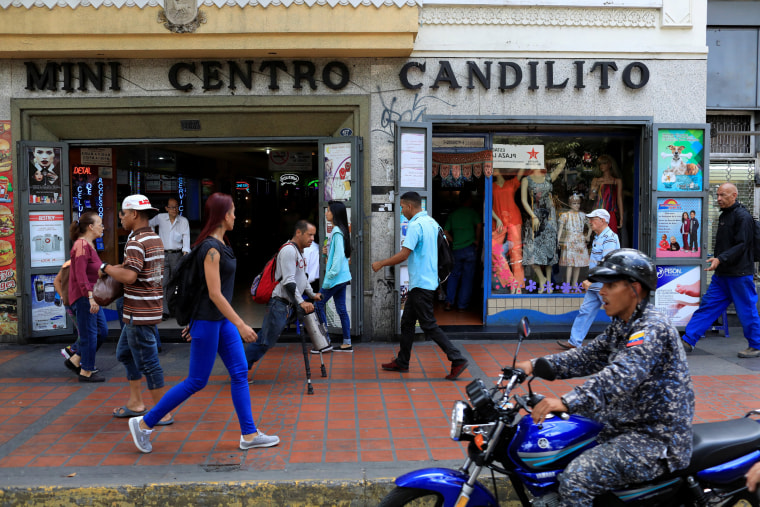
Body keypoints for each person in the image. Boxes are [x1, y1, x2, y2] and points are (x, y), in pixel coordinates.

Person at [516, 249, 694, 507]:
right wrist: (534, 366)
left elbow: (622, 373)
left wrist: (567, 401)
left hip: (655, 437)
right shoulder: (624, 324)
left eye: (610, 285)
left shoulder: (651, 327)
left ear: (635, 289)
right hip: (621, 423)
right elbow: (587, 356)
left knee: (576, 479)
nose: (602, 291)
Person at [128, 193, 279, 454]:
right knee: (197, 381)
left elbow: (201, 291)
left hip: (218, 322)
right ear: (222, 216)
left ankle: (250, 434)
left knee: (240, 372)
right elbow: (214, 293)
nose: (235, 216)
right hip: (211, 322)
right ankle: (144, 424)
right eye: (232, 212)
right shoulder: (211, 249)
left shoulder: (221, 243)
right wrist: (241, 324)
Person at [371, 191, 469, 380]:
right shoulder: (432, 223)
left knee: (428, 325)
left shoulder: (415, 225)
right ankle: (402, 361)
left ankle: (457, 358)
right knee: (407, 322)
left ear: (409, 206)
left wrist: (381, 263)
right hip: (427, 281)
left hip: (421, 284)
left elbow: (403, 255)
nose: (401, 211)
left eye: (401, 207)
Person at [101, 195, 173, 423]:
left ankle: (163, 413)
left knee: (149, 363)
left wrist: (106, 268)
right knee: (124, 353)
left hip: (138, 314)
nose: (120, 218)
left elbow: (130, 276)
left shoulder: (135, 242)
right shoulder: (154, 238)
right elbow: (139, 269)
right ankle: (135, 402)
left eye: (122, 213)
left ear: (134, 214)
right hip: (147, 309)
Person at [681, 183, 760, 358]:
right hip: (722, 274)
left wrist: (720, 258)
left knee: (746, 310)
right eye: (717, 195)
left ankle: (756, 345)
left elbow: (742, 245)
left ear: (734, 195)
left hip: (739, 275)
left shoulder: (743, 217)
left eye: (723, 195)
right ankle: (687, 341)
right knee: (708, 306)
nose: (718, 199)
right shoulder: (725, 215)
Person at [245, 220, 322, 375]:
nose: (313, 239)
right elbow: (288, 281)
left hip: (288, 305)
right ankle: (240, 369)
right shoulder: (288, 251)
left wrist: (312, 295)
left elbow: (302, 278)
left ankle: (240, 365)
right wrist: (301, 302)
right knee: (265, 341)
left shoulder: (299, 251)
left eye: (314, 235)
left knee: (266, 339)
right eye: (310, 235)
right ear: (298, 233)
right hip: (279, 304)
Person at [558, 209, 620, 350]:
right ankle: (574, 342)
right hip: (596, 285)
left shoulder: (609, 237)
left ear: (603, 221)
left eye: (593, 219)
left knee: (615, 315)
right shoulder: (599, 237)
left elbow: (607, 263)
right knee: (585, 311)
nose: (590, 222)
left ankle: (626, 342)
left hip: (604, 286)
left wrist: (592, 281)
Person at [65, 211, 108, 382]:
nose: (102, 227)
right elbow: (81, 275)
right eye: (100, 224)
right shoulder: (81, 245)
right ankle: (86, 371)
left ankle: (75, 359)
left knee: (102, 331)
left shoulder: (89, 245)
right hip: (84, 297)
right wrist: (90, 297)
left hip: (91, 295)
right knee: (90, 334)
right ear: (90, 227)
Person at [521, 158, 565, 292]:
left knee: (549, 252)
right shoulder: (526, 179)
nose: (537, 164)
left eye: (539, 161)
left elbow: (563, 161)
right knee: (531, 252)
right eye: (534, 162)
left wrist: (549, 159)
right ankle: (542, 279)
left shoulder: (548, 177)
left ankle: (547, 284)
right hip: (535, 218)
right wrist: (533, 216)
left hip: (550, 218)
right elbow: (524, 200)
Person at [315, 201, 353, 352]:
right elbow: (335, 256)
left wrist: (328, 279)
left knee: (318, 305)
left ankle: (325, 342)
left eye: (329, 211)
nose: (326, 213)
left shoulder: (337, 232)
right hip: (342, 278)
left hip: (335, 279)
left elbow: (336, 262)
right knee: (342, 309)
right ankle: (347, 342)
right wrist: (325, 252)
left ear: (335, 213)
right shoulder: (341, 230)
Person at [149, 197, 191, 319]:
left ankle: (173, 308)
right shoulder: (161, 218)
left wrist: (185, 254)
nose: (174, 209)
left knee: (176, 282)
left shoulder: (183, 221)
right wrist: (153, 238)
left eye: (176, 206)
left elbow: (186, 239)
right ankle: (164, 311)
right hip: (162, 254)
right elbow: (148, 223)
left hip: (177, 255)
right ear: (166, 208)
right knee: (163, 282)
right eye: (171, 207)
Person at [444, 192, 482, 311]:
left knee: (453, 276)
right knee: (467, 278)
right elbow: (480, 225)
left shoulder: (453, 214)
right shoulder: (472, 213)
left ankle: (449, 302)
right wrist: (477, 240)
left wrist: (454, 240)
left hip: (456, 250)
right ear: (469, 201)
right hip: (470, 249)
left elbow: (445, 232)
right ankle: (462, 305)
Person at [492, 169, 525, 293]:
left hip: (514, 219)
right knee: (494, 250)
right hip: (499, 222)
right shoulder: (490, 185)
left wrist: (524, 155)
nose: (494, 170)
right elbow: (487, 205)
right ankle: (512, 282)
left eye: (496, 168)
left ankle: (518, 286)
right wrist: (496, 218)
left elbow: (521, 172)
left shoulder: (511, 183)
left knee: (516, 252)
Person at [557, 194, 589, 287]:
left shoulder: (583, 215)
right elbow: (561, 229)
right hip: (570, 239)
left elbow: (590, 226)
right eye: (574, 203)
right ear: (570, 204)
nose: (576, 205)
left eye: (578, 203)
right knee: (570, 263)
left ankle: (575, 284)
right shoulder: (565, 215)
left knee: (577, 264)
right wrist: (558, 241)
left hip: (580, 240)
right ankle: (567, 284)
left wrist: (588, 236)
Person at [589, 154, 624, 235]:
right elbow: (591, 197)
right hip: (599, 214)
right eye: (600, 164)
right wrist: (596, 187)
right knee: (600, 238)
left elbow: (619, 199)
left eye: (604, 163)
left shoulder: (617, 181)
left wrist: (621, 217)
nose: (602, 166)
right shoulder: (596, 180)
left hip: (611, 213)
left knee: (612, 237)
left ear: (610, 165)